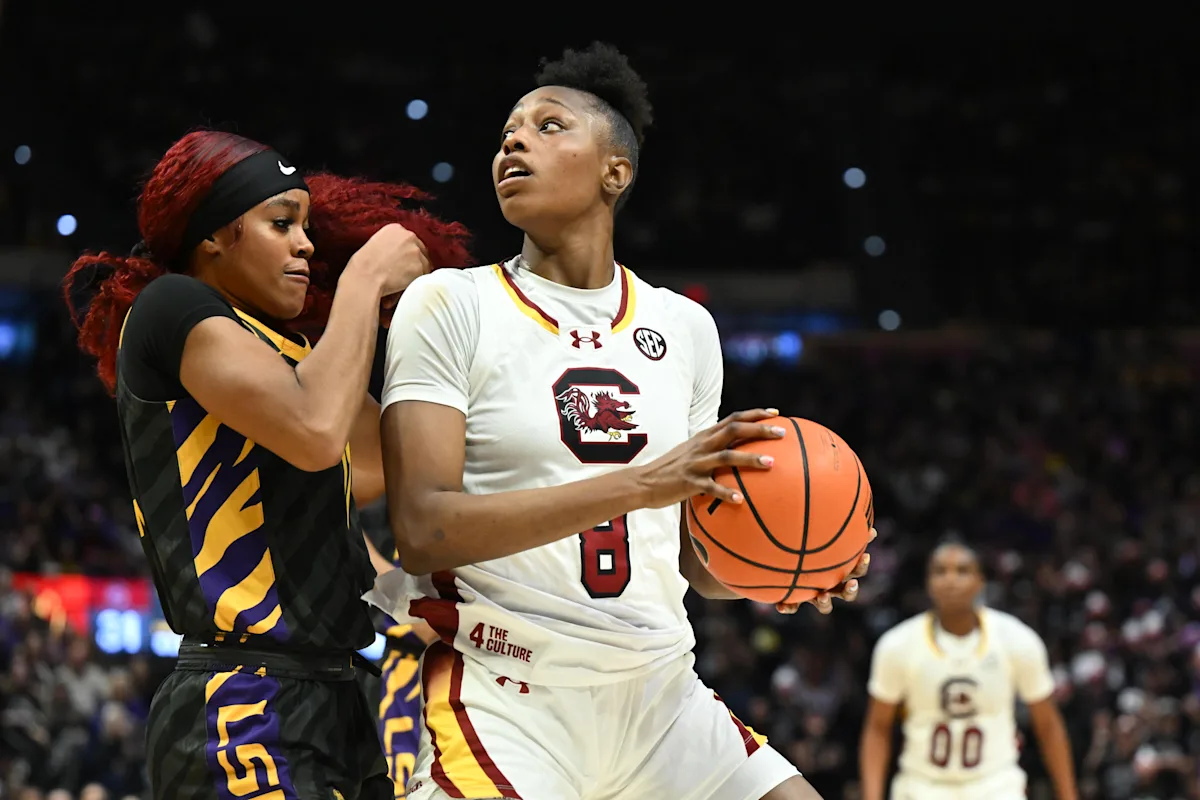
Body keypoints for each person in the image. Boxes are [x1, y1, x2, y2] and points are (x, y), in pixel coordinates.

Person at [370, 42, 871, 800]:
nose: (514, 140)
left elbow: (695, 563)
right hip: (510, 695)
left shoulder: (685, 328)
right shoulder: (450, 304)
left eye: (548, 125)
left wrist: (786, 572)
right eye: (509, 129)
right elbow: (423, 528)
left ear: (616, 171)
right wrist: (639, 484)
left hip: (661, 694)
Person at [62, 129, 470, 800]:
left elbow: (384, 464)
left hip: (336, 697)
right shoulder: (172, 307)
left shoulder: (291, 354)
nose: (305, 243)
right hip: (241, 699)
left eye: (307, 227)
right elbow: (315, 432)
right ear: (213, 237)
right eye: (282, 223)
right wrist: (365, 280)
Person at [859, 539, 1078, 800]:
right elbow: (877, 729)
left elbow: (1048, 725)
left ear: (980, 581)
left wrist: (1068, 795)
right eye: (940, 571)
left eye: (962, 571)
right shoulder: (897, 646)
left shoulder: (1017, 640)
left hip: (995, 785)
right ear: (928, 582)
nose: (950, 580)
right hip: (921, 786)